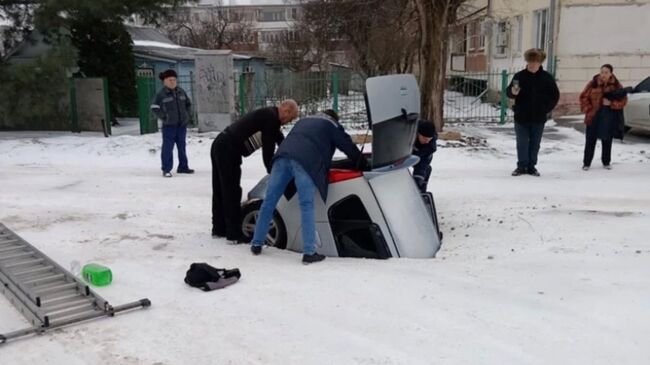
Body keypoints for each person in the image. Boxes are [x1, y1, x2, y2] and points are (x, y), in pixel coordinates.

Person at [249, 110, 367, 264]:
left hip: (282, 157)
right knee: (306, 205)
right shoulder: (332, 125)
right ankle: (309, 252)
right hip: (306, 162)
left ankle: (256, 243)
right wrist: (362, 162)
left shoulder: (303, 121)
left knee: (269, 202)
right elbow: (347, 145)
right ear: (334, 118)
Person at [211, 100, 299, 243]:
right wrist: (274, 172)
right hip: (228, 148)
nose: (289, 122)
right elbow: (268, 150)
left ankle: (219, 228)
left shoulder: (270, 114)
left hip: (221, 143)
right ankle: (233, 234)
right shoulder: (271, 118)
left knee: (220, 188)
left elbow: (280, 141)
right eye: (291, 118)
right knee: (231, 190)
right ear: (286, 112)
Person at [506, 48, 560, 177]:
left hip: (538, 117)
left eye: (535, 61)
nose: (532, 64)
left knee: (535, 144)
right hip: (521, 116)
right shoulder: (519, 76)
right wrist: (512, 93)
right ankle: (521, 166)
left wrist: (545, 109)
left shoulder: (547, 78)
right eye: (530, 61)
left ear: (540, 62)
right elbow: (509, 91)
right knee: (522, 143)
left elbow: (554, 96)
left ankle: (531, 167)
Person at [579, 64, 627, 170]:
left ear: (611, 73)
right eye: (602, 72)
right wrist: (589, 109)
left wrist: (611, 103)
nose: (603, 75)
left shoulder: (616, 85)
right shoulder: (593, 83)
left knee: (607, 140)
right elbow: (583, 97)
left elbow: (623, 101)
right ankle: (586, 163)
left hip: (609, 116)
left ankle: (606, 162)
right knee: (590, 140)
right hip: (593, 116)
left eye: (606, 72)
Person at [150, 69, 194, 178]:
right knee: (168, 148)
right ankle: (166, 169)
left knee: (182, 147)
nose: (172, 82)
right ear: (165, 81)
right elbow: (154, 107)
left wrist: (187, 115)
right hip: (169, 126)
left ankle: (183, 167)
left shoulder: (181, 91)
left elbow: (188, 104)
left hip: (181, 125)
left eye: (174, 80)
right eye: (170, 80)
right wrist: (165, 117)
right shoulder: (161, 94)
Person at [412, 120, 437, 193]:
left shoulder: (430, 147)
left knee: (425, 170)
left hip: (420, 155)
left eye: (429, 139)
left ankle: (421, 189)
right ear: (418, 134)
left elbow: (423, 163)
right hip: (405, 151)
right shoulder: (409, 133)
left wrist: (418, 179)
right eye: (425, 139)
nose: (427, 142)